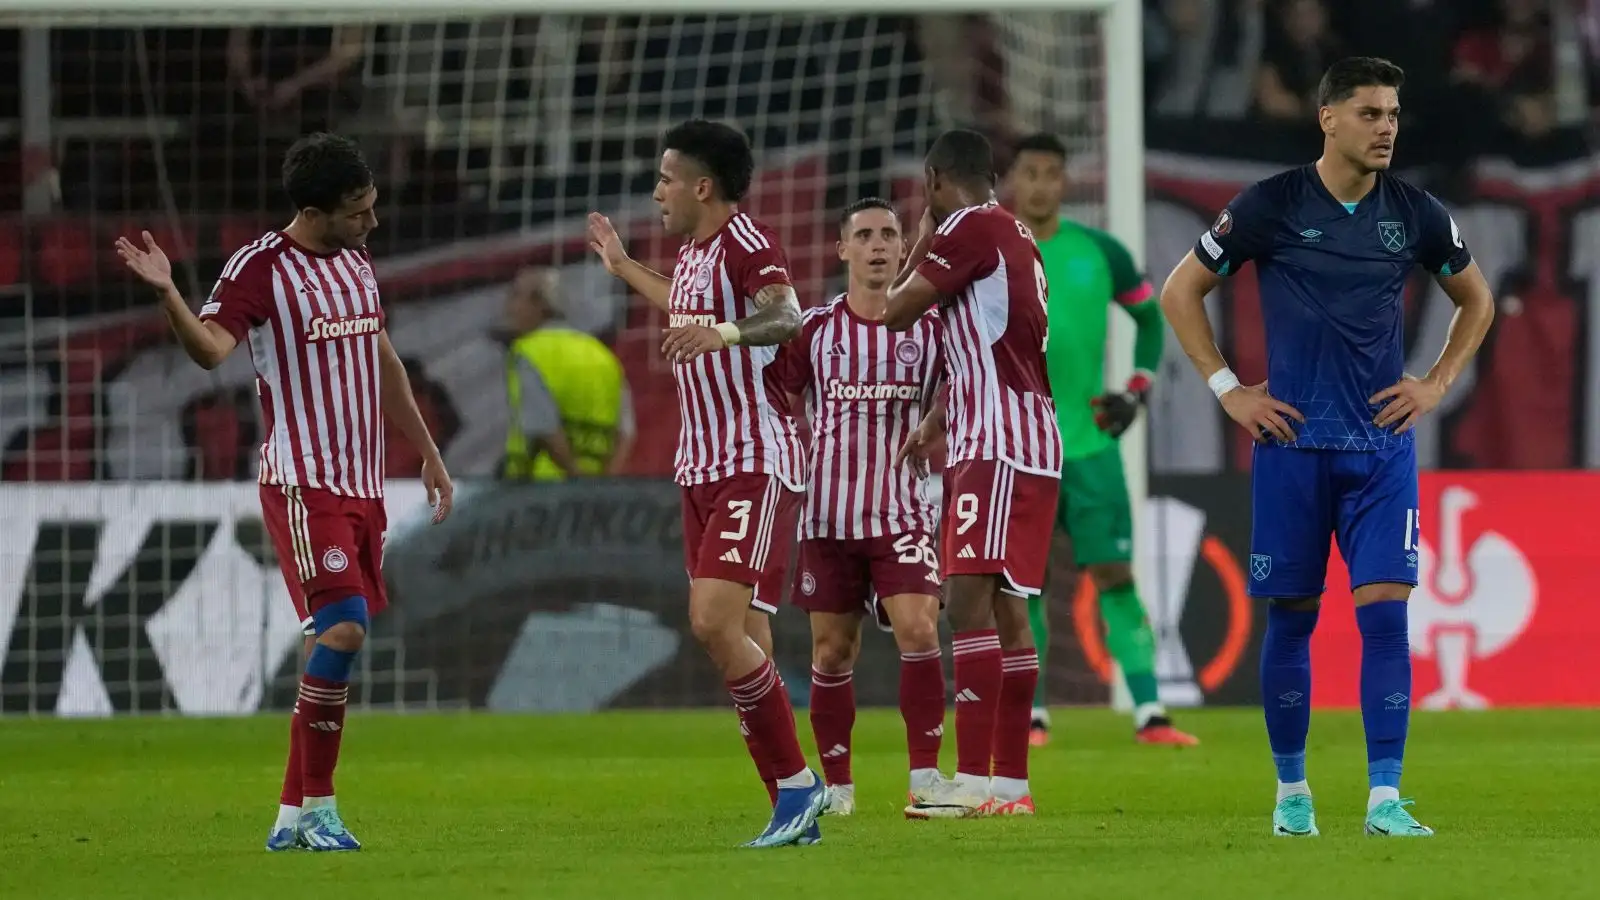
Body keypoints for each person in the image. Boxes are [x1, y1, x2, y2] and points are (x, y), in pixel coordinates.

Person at [1159, 57, 1494, 838]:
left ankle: (1384, 799)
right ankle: (1292, 796)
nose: (1387, 128)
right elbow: (1182, 290)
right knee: (1294, 619)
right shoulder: (1270, 205)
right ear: (1329, 119)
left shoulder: (1415, 213)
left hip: (1380, 451)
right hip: (1293, 446)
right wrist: (1228, 390)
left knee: (1385, 619)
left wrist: (1436, 382)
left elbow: (1475, 298)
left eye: (1393, 114)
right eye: (1371, 113)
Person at [114, 132, 455, 852]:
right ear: (313, 209)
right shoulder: (260, 269)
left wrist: (426, 451)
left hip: (363, 485)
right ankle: (322, 807)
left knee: (333, 639)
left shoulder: (357, 263)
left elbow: (383, 357)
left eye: (371, 206)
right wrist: (169, 292)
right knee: (344, 628)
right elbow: (209, 351)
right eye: (357, 213)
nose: (372, 223)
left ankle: (291, 820)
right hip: (303, 482)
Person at [585, 119, 826, 848]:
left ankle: (798, 789)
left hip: (754, 458)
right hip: (702, 466)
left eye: (664, 178)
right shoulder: (693, 254)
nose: (656, 190)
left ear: (701, 185)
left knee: (712, 621)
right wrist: (625, 267)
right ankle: (793, 808)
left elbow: (784, 315)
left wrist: (721, 335)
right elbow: (685, 304)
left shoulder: (748, 243)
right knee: (740, 637)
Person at [886, 128, 1062, 818]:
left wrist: (926, 235)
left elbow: (896, 311)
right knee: (1010, 611)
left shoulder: (966, 229)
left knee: (962, 605)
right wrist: (937, 417)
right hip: (1029, 437)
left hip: (995, 443)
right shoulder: (1016, 233)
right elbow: (991, 339)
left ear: (935, 180)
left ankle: (966, 782)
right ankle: (1010, 787)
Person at [1004, 133, 1199, 748]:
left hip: (1090, 447)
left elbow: (1148, 319)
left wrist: (1136, 389)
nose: (1040, 185)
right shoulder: (992, 252)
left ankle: (1150, 715)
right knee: (1021, 585)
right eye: (1029, 173)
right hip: (1017, 449)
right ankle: (1030, 716)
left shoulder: (1101, 252)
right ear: (1012, 180)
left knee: (1114, 573)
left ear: (1065, 182)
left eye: (1051, 174)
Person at [770, 198, 949, 818]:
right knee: (831, 653)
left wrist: (934, 421)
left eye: (889, 235)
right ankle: (839, 788)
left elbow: (965, 388)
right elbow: (775, 396)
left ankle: (925, 780)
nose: (878, 245)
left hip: (902, 513)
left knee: (919, 628)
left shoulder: (930, 331)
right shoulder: (815, 330)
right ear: (842, 249)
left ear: (904, 249)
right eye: (865, 235)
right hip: (828, 518)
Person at [500, 266, 635, 479]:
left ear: (540, 305)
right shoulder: (602, 355)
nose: (509, 308)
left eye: (516, 297)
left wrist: (576, 479)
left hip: (538, 491)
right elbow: (626, 432)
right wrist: (603, 485)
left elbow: (543, 427)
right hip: (595, 496)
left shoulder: (530, 352)